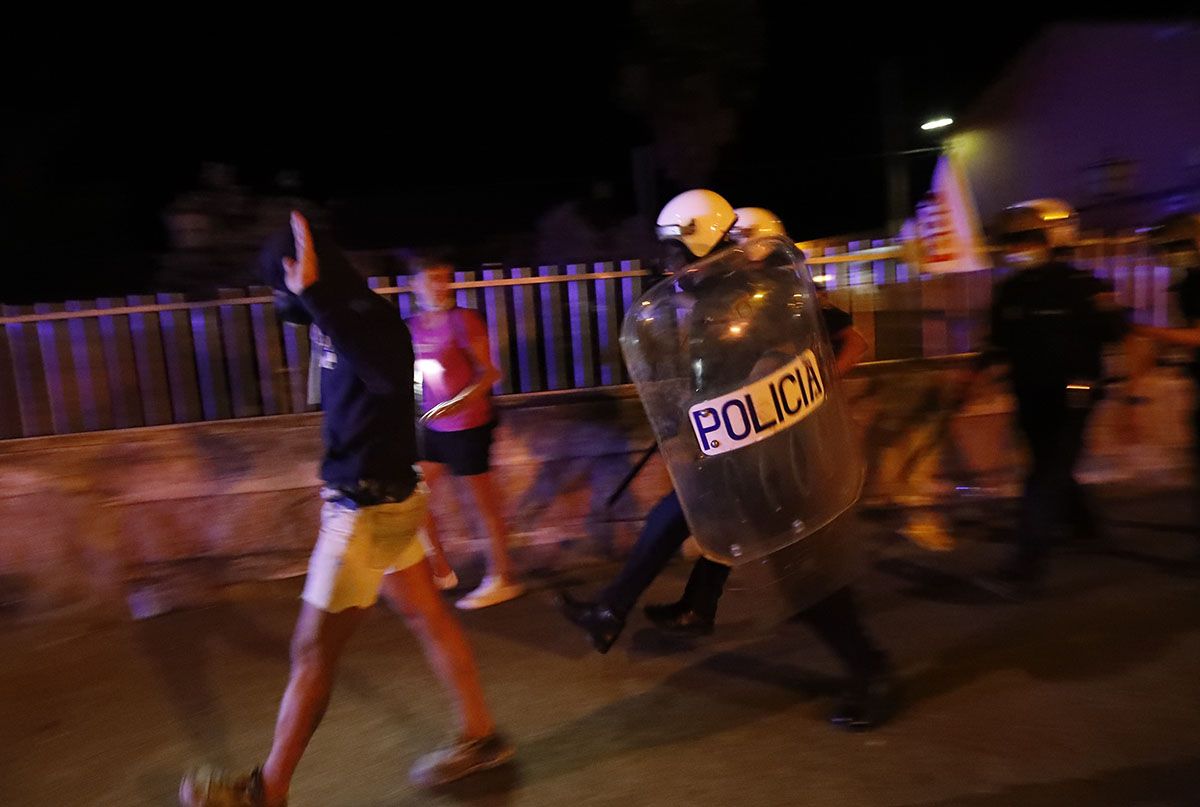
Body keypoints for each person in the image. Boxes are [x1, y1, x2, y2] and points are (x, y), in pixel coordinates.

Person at [179, 214, 513, 807]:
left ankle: (267, 790)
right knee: (426, 617)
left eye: (280, 281)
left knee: (312, 651)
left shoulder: (362, 314)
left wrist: (317, 296)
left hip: (364, 507)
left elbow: (391, 382)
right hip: (385, 496)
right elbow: (370, 402)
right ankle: (482, 737)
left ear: (303, 270)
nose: (278, 296)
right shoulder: (333, 317)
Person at [557, 192, 895, 729]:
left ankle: (871, 671)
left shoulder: (754, 299)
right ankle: (619, 608)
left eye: (675, 253)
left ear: (704, 243)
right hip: (743, 455)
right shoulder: (721, 299)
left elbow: (790, 357)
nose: (669, 268)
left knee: (808, 579)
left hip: (778, 462)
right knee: (681, 519)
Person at [644, 206, 871, 637]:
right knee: (732, 530)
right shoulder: (744, 299)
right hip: (743, 440)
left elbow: (852, 344)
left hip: (781, 446)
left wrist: (804, 388)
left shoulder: (782, 297)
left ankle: (865, 665)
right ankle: (696, 608)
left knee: (802, 565)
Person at [973, 200, 1131, 594]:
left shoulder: (1081, 285)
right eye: (1010, 241)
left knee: (1044, 474)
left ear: (1043, 241)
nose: (1016, 248)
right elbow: (997, 343)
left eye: (1023, 239)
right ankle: (1085, 525)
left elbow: (1115, 332)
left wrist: (1128, 389)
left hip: (1075, 393)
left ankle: (1028, 558)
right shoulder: (1009, 291)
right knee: (1051, 465)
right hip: (1029, 394)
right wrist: (971, 377)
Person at [406, 255, 524, 609]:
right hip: (429, 427)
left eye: (445, 278)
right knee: (414, 499)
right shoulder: (410, 325)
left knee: (482, 505)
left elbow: (489, 373)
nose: (441, 286)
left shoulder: (464, 321)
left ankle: (502, 578)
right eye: (432, 279)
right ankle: (441, 571)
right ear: (414, 285)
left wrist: (456, 403)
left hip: (467, 424)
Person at [1135, 213, 1200, 549]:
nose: (1172, 254)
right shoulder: (1187, 283)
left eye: (1177, 246)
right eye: (1166, 249)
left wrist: (1147, 332)